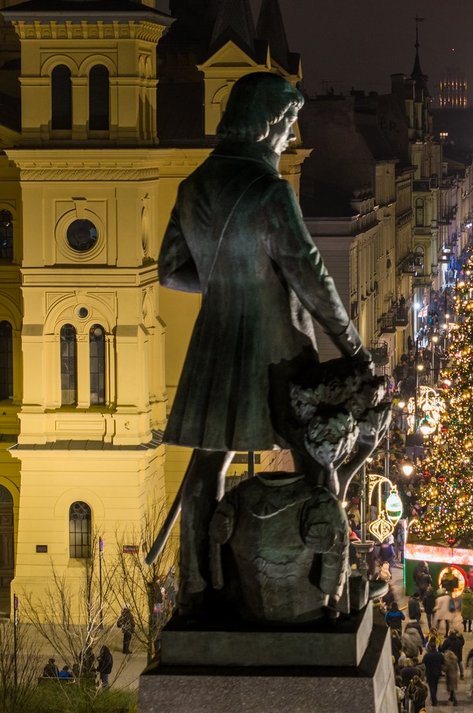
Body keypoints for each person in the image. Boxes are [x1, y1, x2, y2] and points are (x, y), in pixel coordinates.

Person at [150, 73, 370, 613]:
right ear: (267, 123)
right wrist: (352, 347)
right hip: (277, 347)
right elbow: (310, 274)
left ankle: (197, 588)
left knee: (207, 466)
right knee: (315, 459)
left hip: (214, 345)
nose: (289, 138)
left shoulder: (193, 186)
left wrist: (230, 277)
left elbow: (171, 270)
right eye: (288, 126)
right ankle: (326, 590)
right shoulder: (271, 191)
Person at [423, 642, 445, 706]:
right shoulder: (439, 654)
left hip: (429, 672)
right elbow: (443, 662)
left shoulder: (427, 655)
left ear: (430, 647)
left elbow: (423, 662)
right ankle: (434, 697)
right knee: (435, 685)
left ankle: (434, 700)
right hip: (437, 672)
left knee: (431, 686)